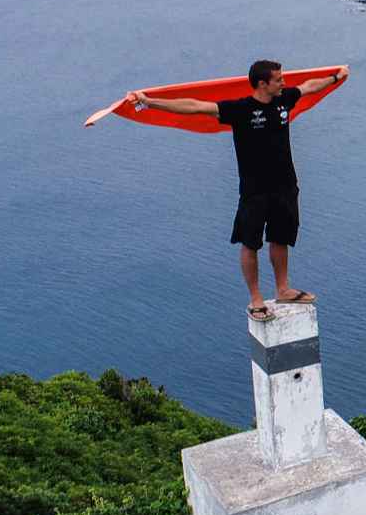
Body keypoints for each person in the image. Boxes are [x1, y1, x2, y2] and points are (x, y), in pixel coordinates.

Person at [130, 60, 348, 321]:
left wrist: (336, 77)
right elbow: (194, 106)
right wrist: (150, 102)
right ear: (262, 83)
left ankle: (283, 288)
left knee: (281, 237)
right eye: (278, 79)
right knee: (250, 242)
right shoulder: (240, 109)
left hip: (286, 185)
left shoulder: (284, 99)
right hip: (254, 190)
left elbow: (309, 86)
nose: (284, 83)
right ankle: (256, 297)